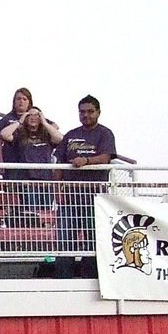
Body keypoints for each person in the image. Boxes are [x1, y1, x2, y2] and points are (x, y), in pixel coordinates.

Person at [53, 95, 116, 278]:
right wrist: (57, 190)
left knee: (92, 241)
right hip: (70, 198)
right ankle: (62, 280)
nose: (86, 115)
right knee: (65, 241)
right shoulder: (71, 135)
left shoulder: (105, 133)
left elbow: (106, 157)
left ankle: (91, 279)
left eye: (90, 111)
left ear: (98, 112)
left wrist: (86, 161)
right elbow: (59, 163)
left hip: (94, 198)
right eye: (82, 112)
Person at [0, 106, 62, 227]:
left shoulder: (46, 135)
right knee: (32, 214)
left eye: (36, 115)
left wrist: (44, 122)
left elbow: (60, 138)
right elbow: (4, 134)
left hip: (46, 180)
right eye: (30, 115)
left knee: (45, 214)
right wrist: (20, 120)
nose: (33, 117)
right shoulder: (20, 134)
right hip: (27, 180)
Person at [0, 88, 33, 164]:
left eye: (24, 99)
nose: (21, 101)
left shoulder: (34, 118)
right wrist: (0, 163)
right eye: (18, 99)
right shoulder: (7, 119)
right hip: (11, 160)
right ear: (14, 101)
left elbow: (54, 126)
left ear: (29, 102)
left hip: (29, 162)